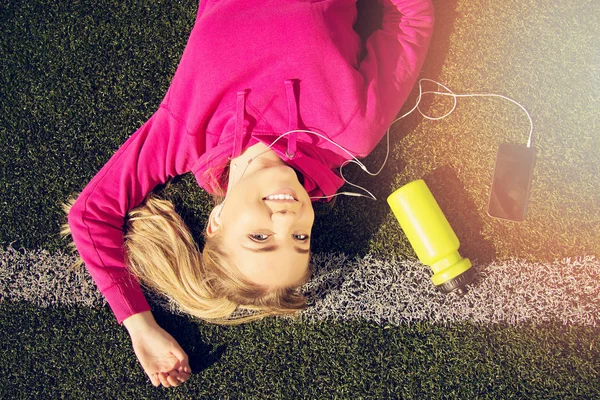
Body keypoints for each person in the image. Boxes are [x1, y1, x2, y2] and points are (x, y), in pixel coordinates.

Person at [65, 0, 434, 388]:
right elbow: (410, 19)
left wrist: (139, 325)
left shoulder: (188, 135)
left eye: (260, 238)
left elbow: (91, 215)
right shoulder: (348, 132)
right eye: (299, 239)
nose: (287, 220)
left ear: (216, 221)